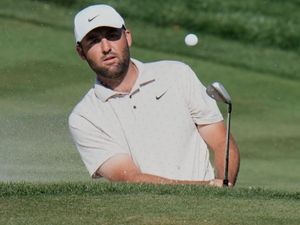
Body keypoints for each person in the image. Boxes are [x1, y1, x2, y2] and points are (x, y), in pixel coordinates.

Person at [69, 4, 240, 187]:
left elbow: (222, 142)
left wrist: (225, 184)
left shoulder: (177, 74)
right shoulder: (85, 117)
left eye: (112, 36)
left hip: (208, 212)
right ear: (81, 52)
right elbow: (130, 178)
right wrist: (205, 188)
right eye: (94, 41)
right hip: (144, 214)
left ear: (127, 37)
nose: (105, 47)